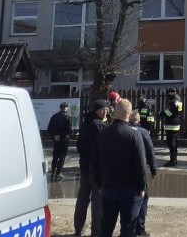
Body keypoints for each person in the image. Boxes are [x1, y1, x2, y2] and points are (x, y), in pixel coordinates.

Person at [91, 99, 148, 237]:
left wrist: (100, 184)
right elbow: (140, 164)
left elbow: (94, 162)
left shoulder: (102, 134)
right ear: (129, 114)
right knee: (128, 228)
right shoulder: (134, 134)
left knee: (106, 227)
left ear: (114, 113)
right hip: (130, 189)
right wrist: (142, 187)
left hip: (108, 188)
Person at [74, 99, 109, 237]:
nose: (105, 111)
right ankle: (97, 231)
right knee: (97, 201)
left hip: (84, 167)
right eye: (103, 110)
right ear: (97, 111)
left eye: (106, 109)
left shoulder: (85, 124)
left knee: (82, 198)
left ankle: (78, 229)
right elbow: (104, 147)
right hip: (96, 169)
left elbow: (79, 145)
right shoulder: (99, 125)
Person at [129, 110, 157, 237]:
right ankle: (139, 229)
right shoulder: (144, 132)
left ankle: (128, 229)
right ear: (139, 120)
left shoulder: (124, 130)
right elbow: (150, 152)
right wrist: (153, 169)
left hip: (124, 171)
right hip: (140, 170)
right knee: (143, 199)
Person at [47, 101, 72, 182]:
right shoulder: (67, 116)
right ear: (66, 107)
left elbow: (49, 129)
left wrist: (54, 136)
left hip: (56, 140)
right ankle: (58, 173)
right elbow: (68, 129)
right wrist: (62, 136)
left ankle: (53, 171)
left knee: (55, 155)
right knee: (62, 156)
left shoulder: (54, 116)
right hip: (64, 139)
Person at [161, 88, 183, 167]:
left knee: (171, 143)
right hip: (176, 124)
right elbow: (178, 112)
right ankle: (174, 159)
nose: (168, 95)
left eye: (168, 93)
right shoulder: (179, 100)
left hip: (171, 125)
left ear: (171, 93)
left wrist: (162, 113)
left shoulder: (173, 101)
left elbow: (169, 113)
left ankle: (172, 161)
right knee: (174, 142)